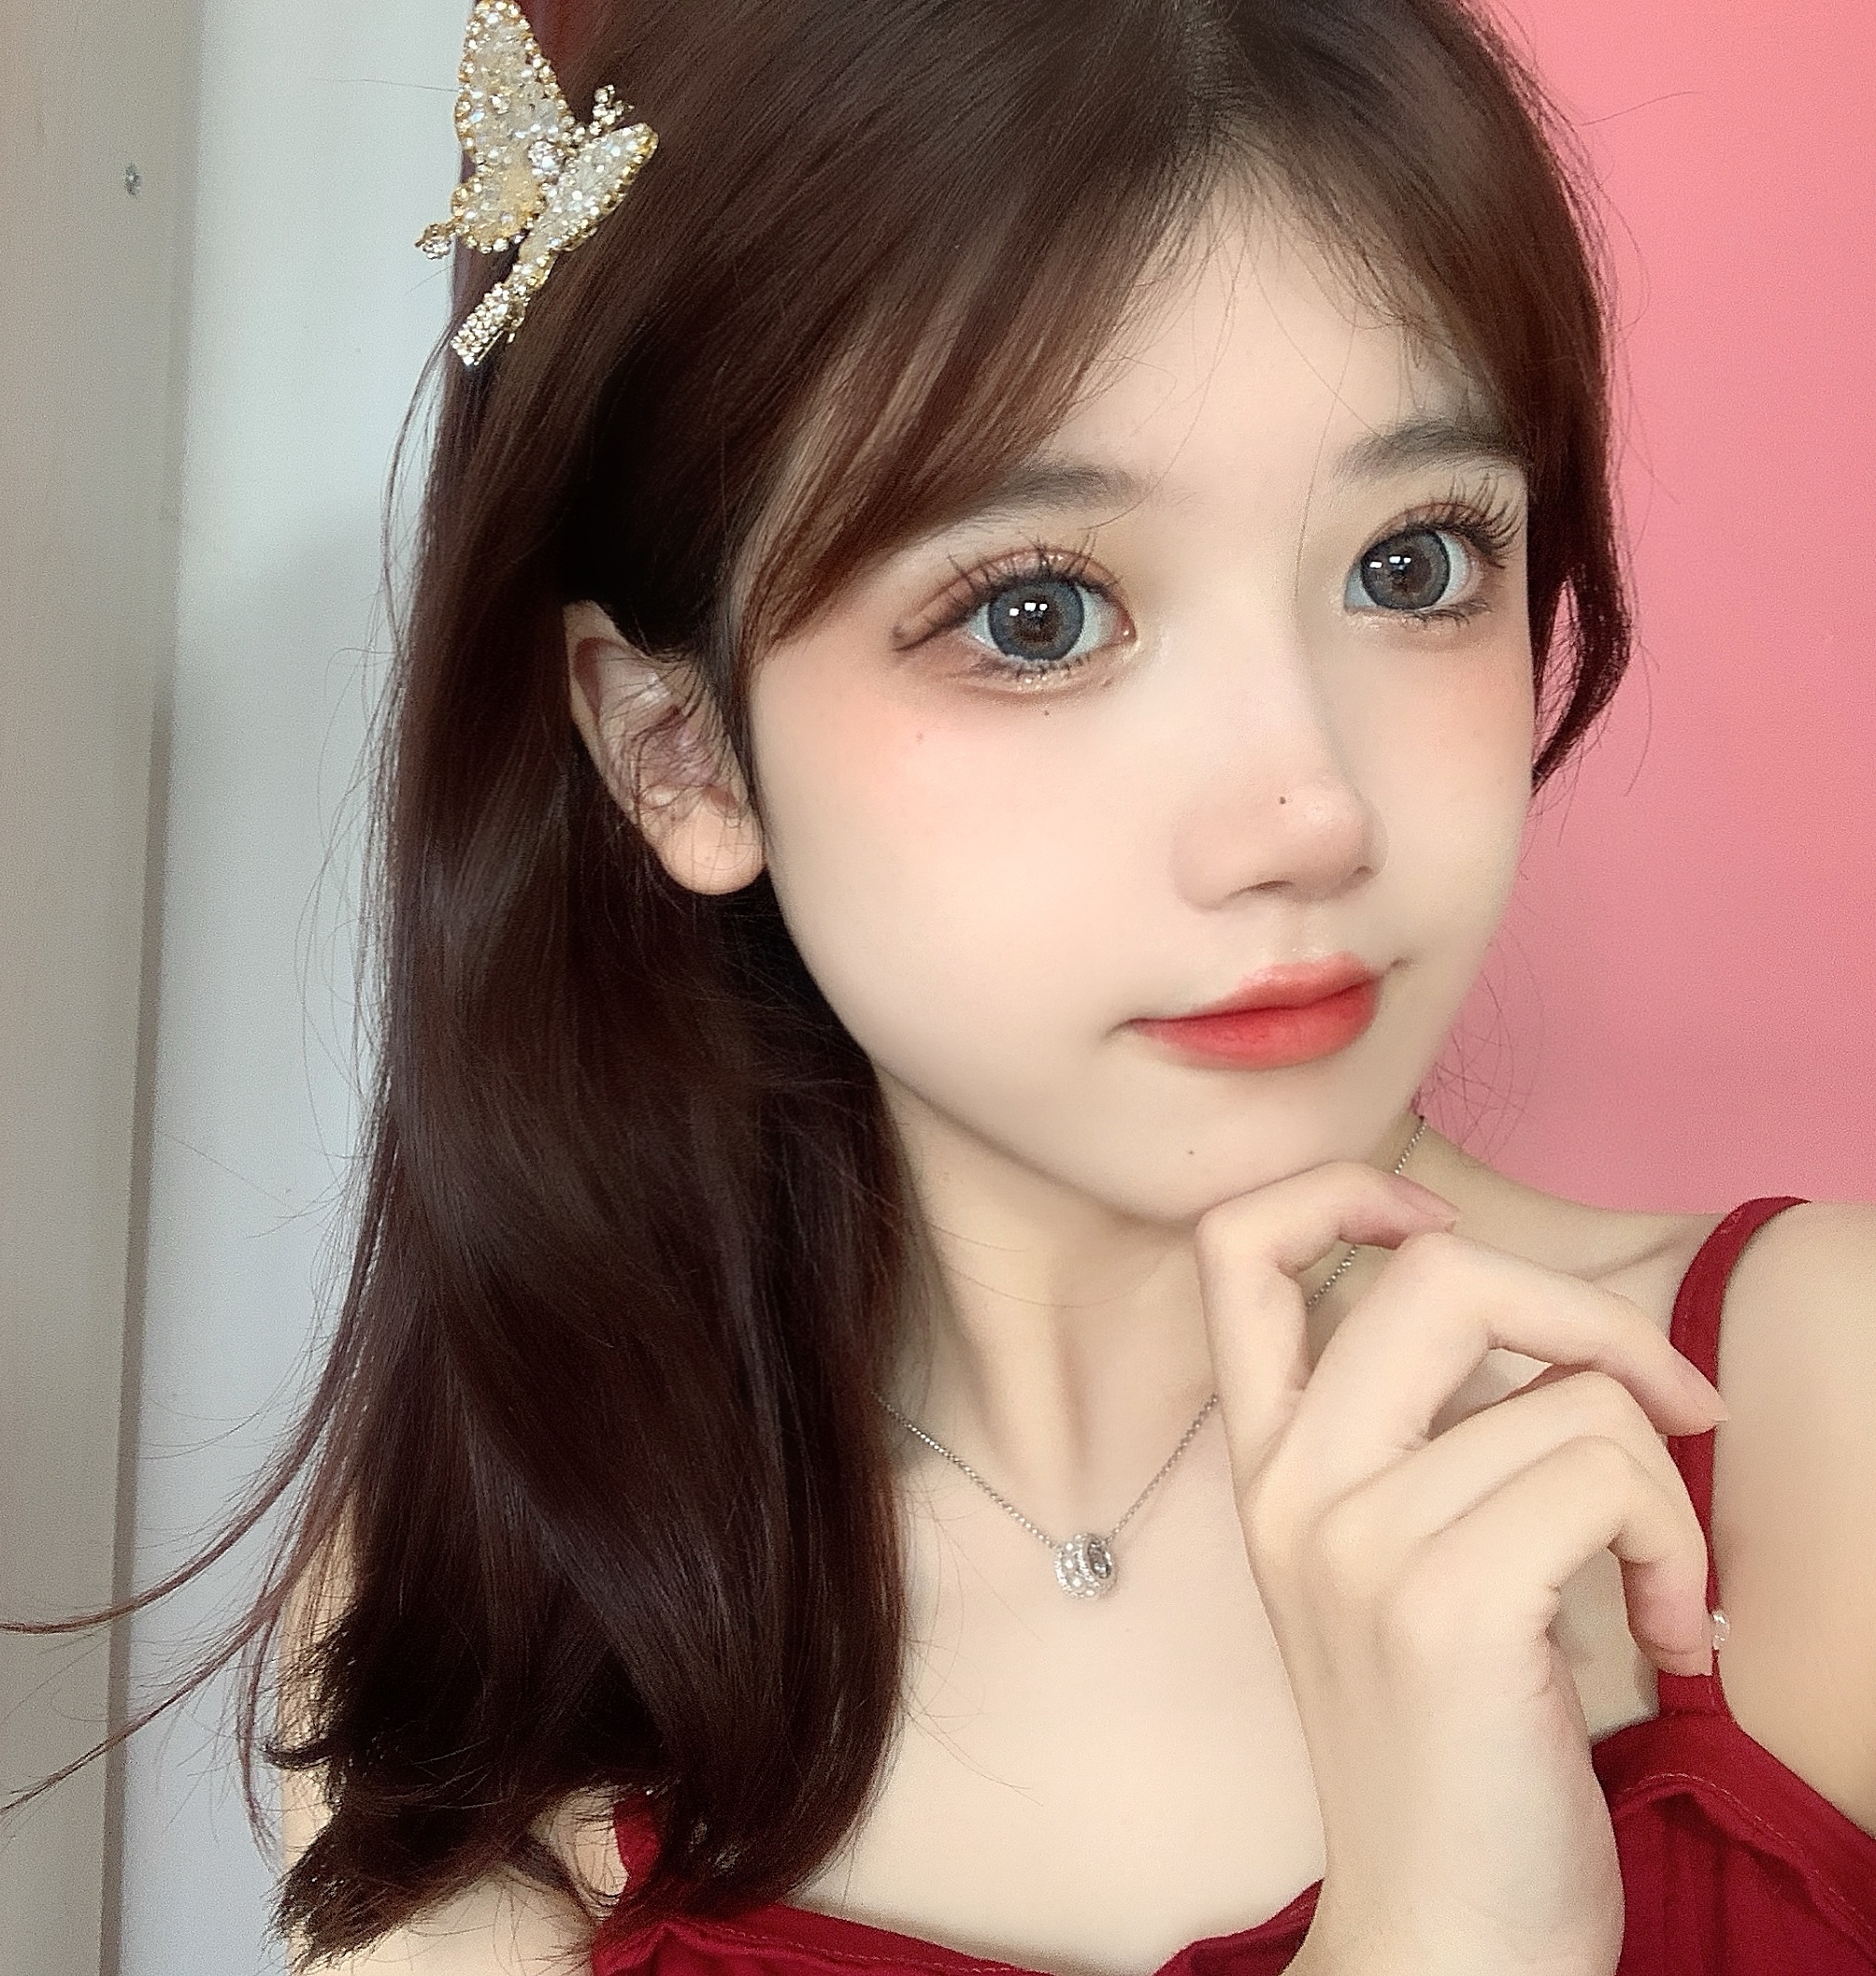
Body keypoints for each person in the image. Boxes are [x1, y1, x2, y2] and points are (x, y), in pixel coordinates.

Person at [251, 0, 1876, 1969]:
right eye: (1037, 613)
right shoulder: (492, 1626)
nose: (1307, 809)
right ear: (679, 752)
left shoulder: (1816, 1419)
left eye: (1413, 565)